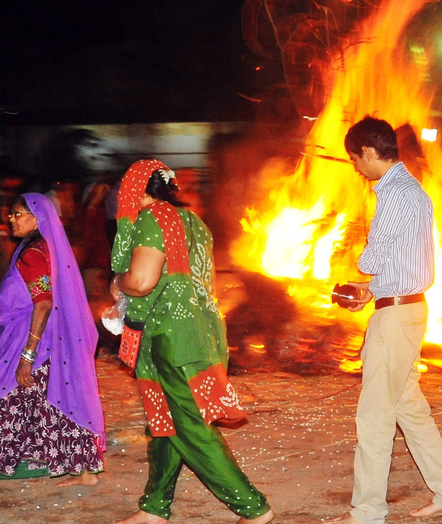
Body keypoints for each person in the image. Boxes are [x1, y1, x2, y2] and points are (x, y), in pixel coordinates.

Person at [110, 159, 274, 524]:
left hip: (171, 336)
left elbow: (141, 281)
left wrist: (117, 282)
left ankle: (254, 509)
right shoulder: (193, 222)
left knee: (189, 425)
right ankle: (154, 508)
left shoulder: (153, 220)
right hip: (199, 331)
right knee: (164, 420)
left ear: (135, 189)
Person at [329, 116, 442, 524]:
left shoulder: (394, 194)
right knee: (409, 409)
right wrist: (372, 288)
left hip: (396, 317)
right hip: (407, 305)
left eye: (355, 158)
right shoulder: (413, 189)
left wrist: (364, 269)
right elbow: (402, 261)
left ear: (370, 153)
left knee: (374, 416)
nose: (355, 166)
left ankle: (367, 511)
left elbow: (373, 254)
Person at [0, 193, 105, 483]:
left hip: (32, 342)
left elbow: (43, 304)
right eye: (11, 214)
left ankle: (23, 459)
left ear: (37, 219)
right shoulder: (40, 248)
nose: (11, 219)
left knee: (15, 400)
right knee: (57, 404)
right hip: (44, 341)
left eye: (18, 214)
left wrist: (27, 356)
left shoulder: (33, 254)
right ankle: (84, 472)